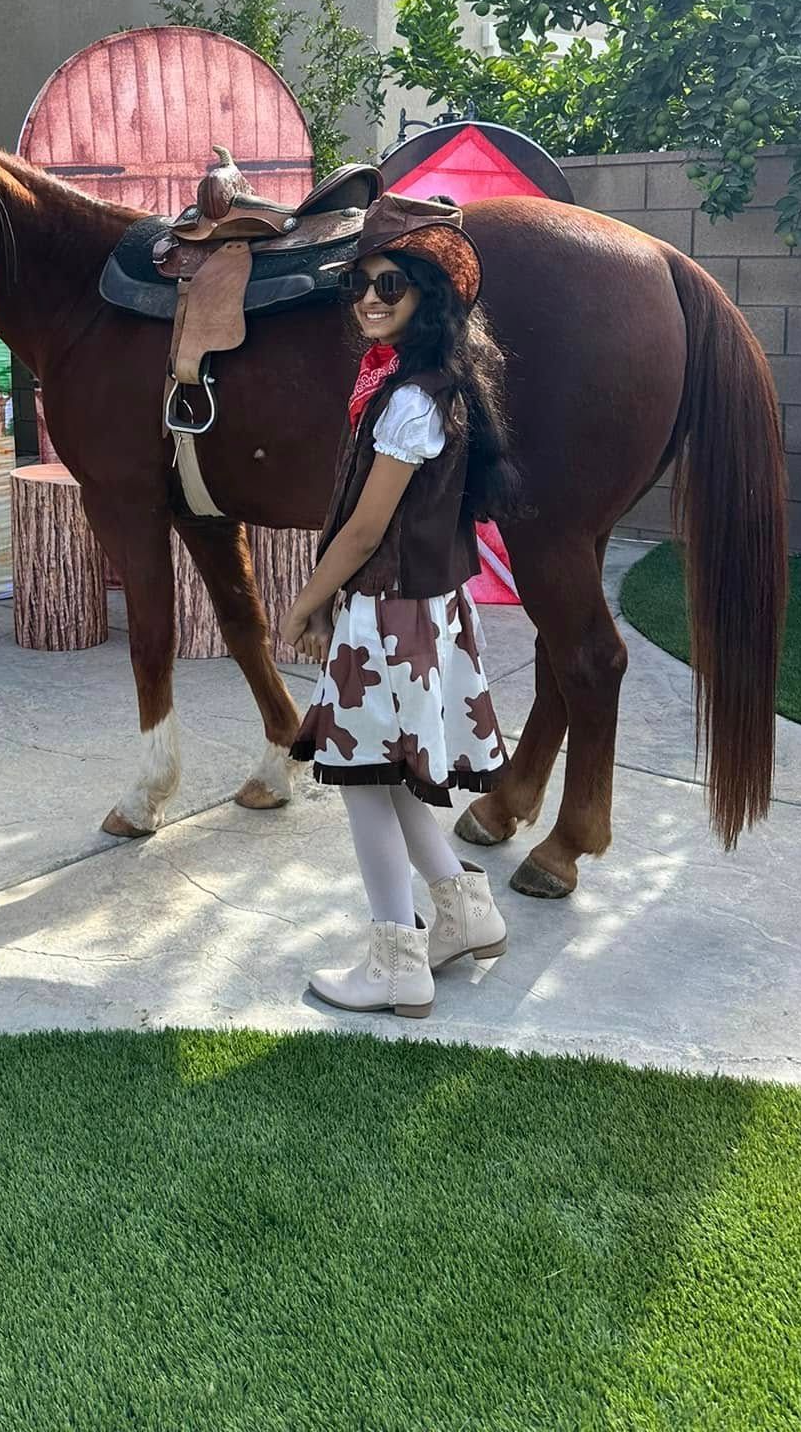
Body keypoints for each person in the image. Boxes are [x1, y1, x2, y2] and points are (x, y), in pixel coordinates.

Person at [282, 194, 517, 1017]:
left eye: (392, 284)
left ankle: (395, 959)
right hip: (420, 614)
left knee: (360, 783)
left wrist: (306, 603)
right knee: (394, 779)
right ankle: (464, 913)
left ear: (430, 296)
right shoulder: (429, 386)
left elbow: (362, 531)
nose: (371, 299)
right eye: (360, 286)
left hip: (388, 617)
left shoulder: (414, 400)